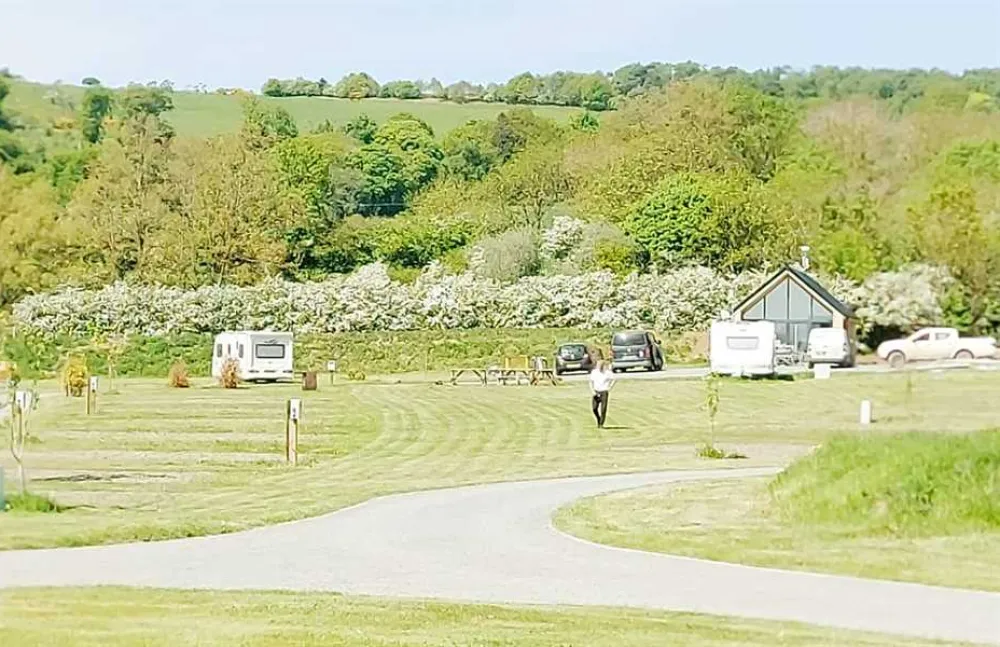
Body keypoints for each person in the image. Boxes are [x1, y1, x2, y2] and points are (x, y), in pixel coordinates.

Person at [589, 360, 615, 428]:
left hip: (604, 391)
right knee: (594, 408)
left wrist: (609, 388)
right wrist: (593, 392)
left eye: (601, 365)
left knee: (603, 409)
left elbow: (614, 379)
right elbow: (591, 382)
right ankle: (598, 418)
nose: (599, 367)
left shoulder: (607, 373)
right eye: (598, 365)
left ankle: (601, 424)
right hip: (596, 391)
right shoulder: (594, 372)